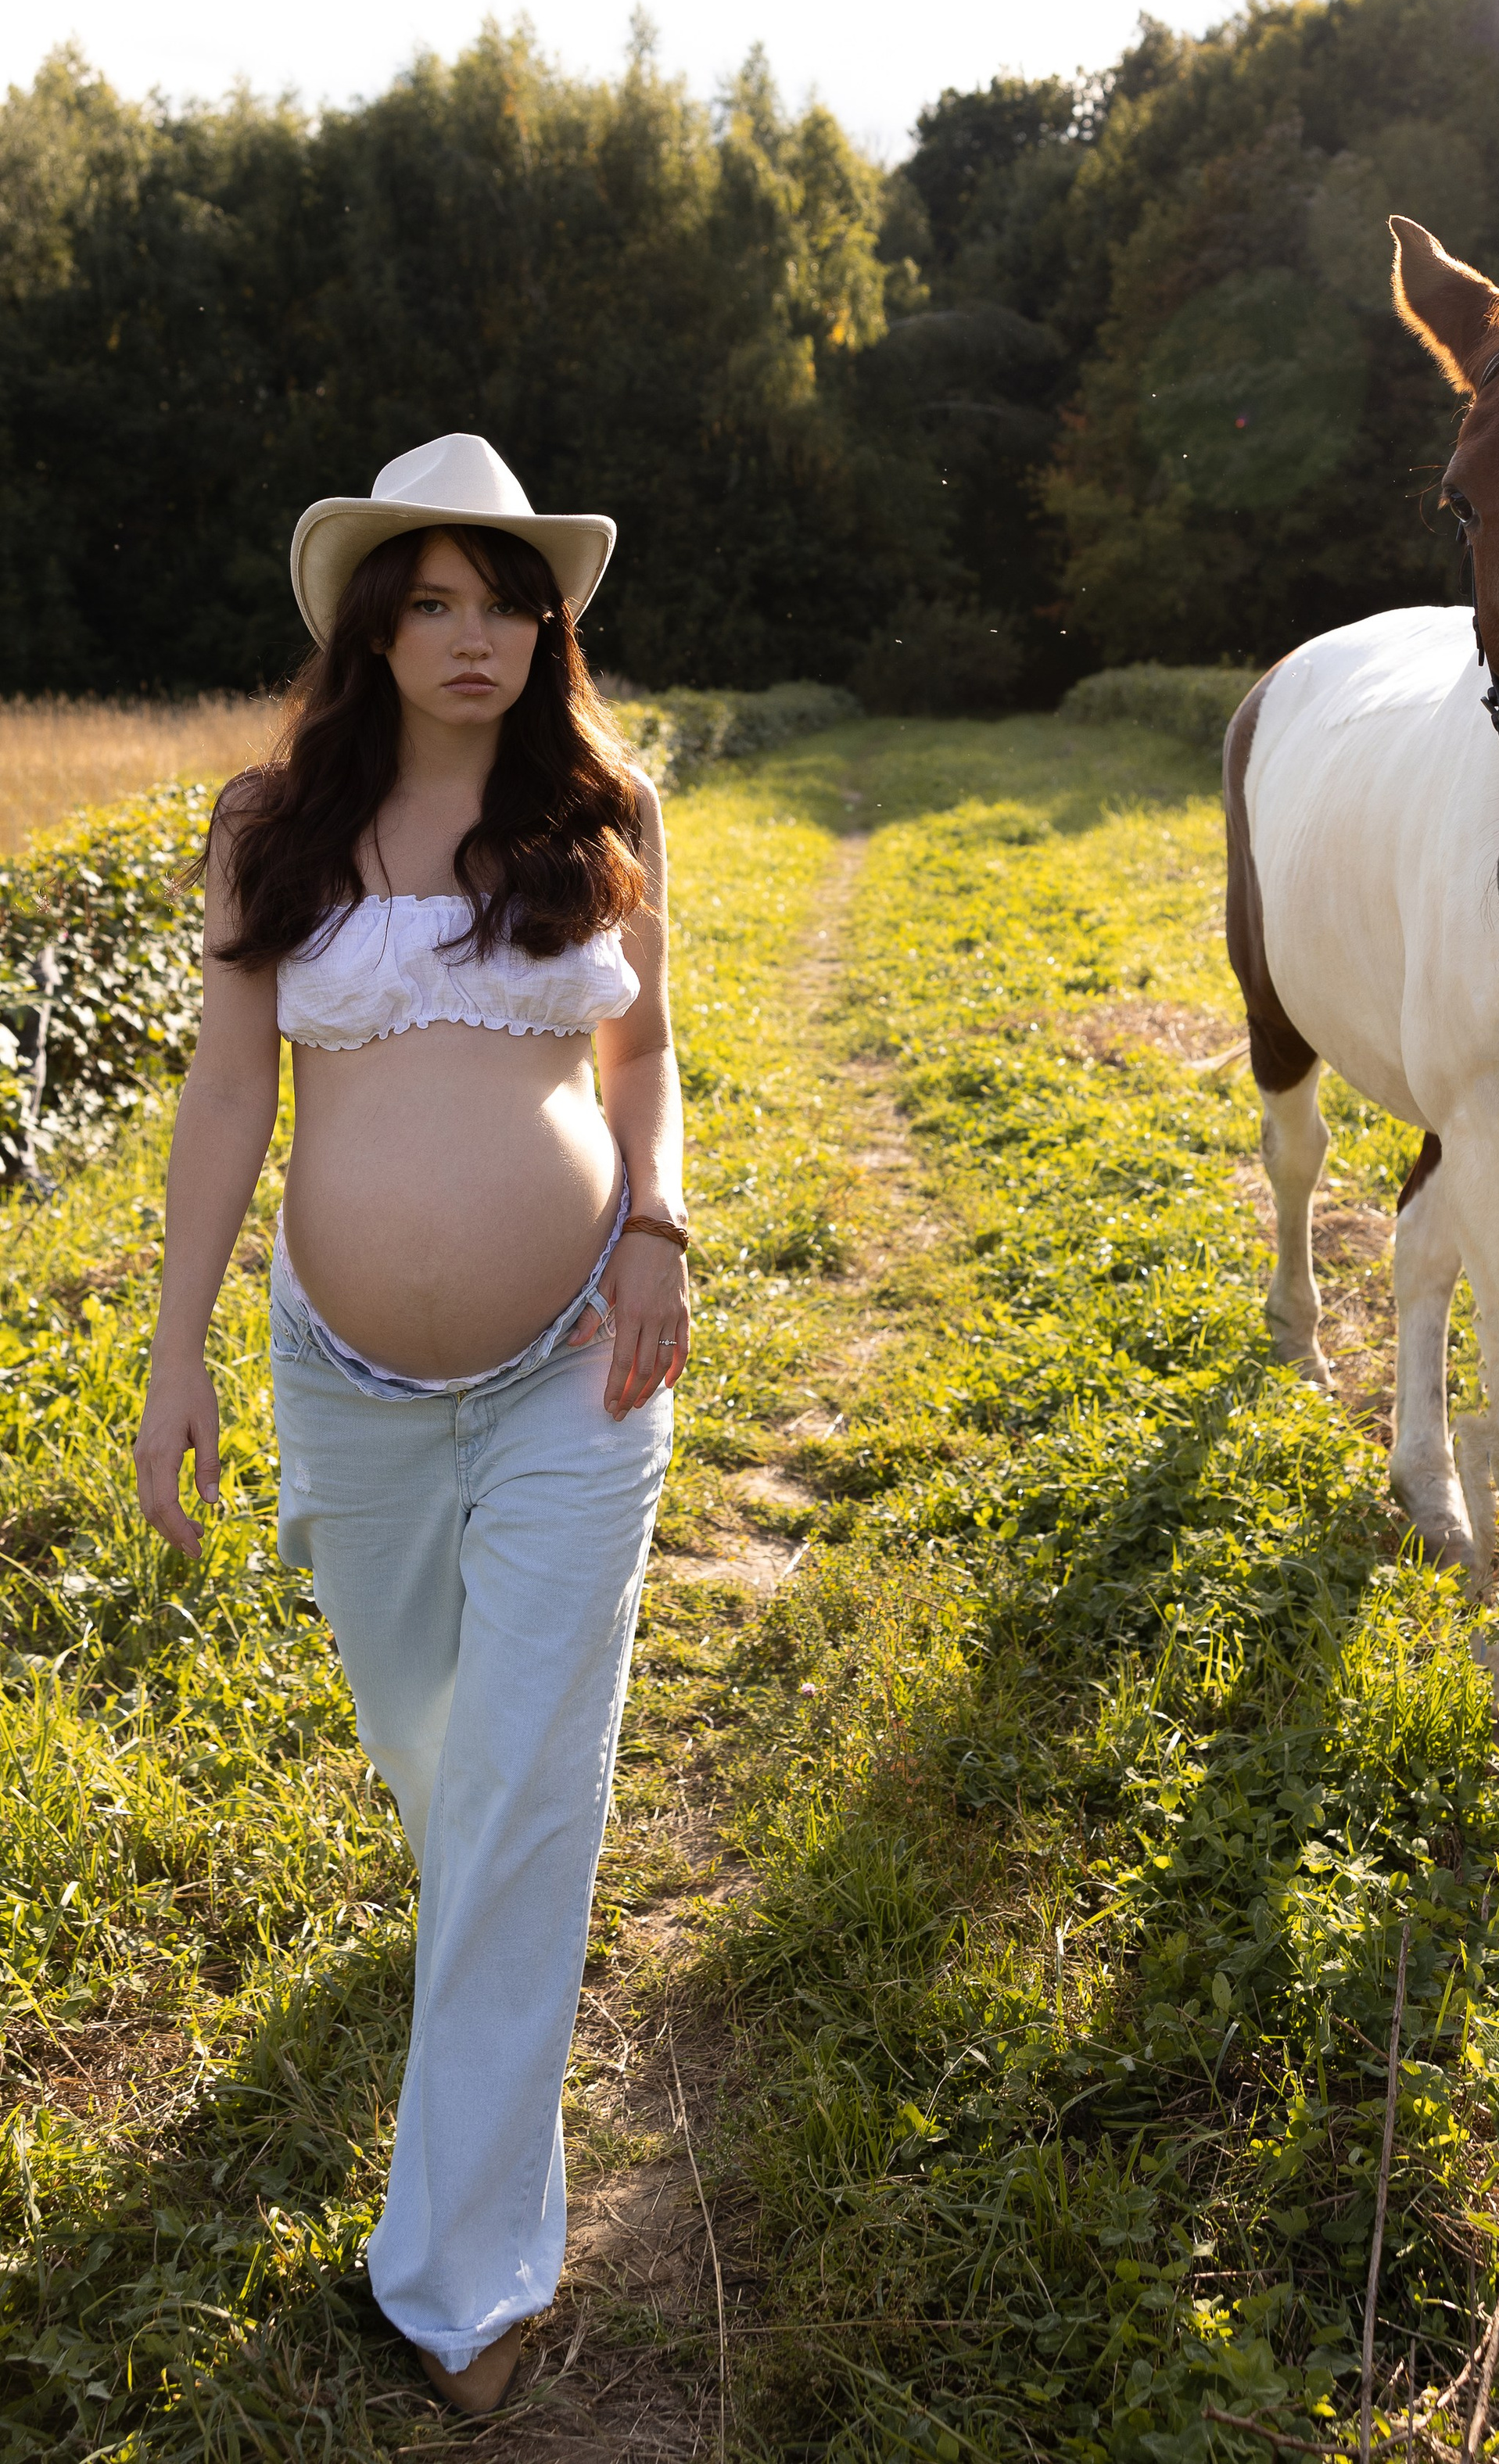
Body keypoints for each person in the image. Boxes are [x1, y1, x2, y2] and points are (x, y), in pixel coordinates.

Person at [134, 433, 692, 2416]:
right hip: (341, 1384)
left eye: (505, 600)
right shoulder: (271, 823)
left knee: (527, 1790)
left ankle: (457, 2280)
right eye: (431, 602)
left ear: (551, 623)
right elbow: (224, 1098)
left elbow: (641, 1054)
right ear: (374, 629)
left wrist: (655, 1222)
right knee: (434, 1751)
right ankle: (476, 1964)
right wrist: (173, 1351)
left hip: (572, 1368)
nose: (473, 638)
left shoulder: (602, 803)